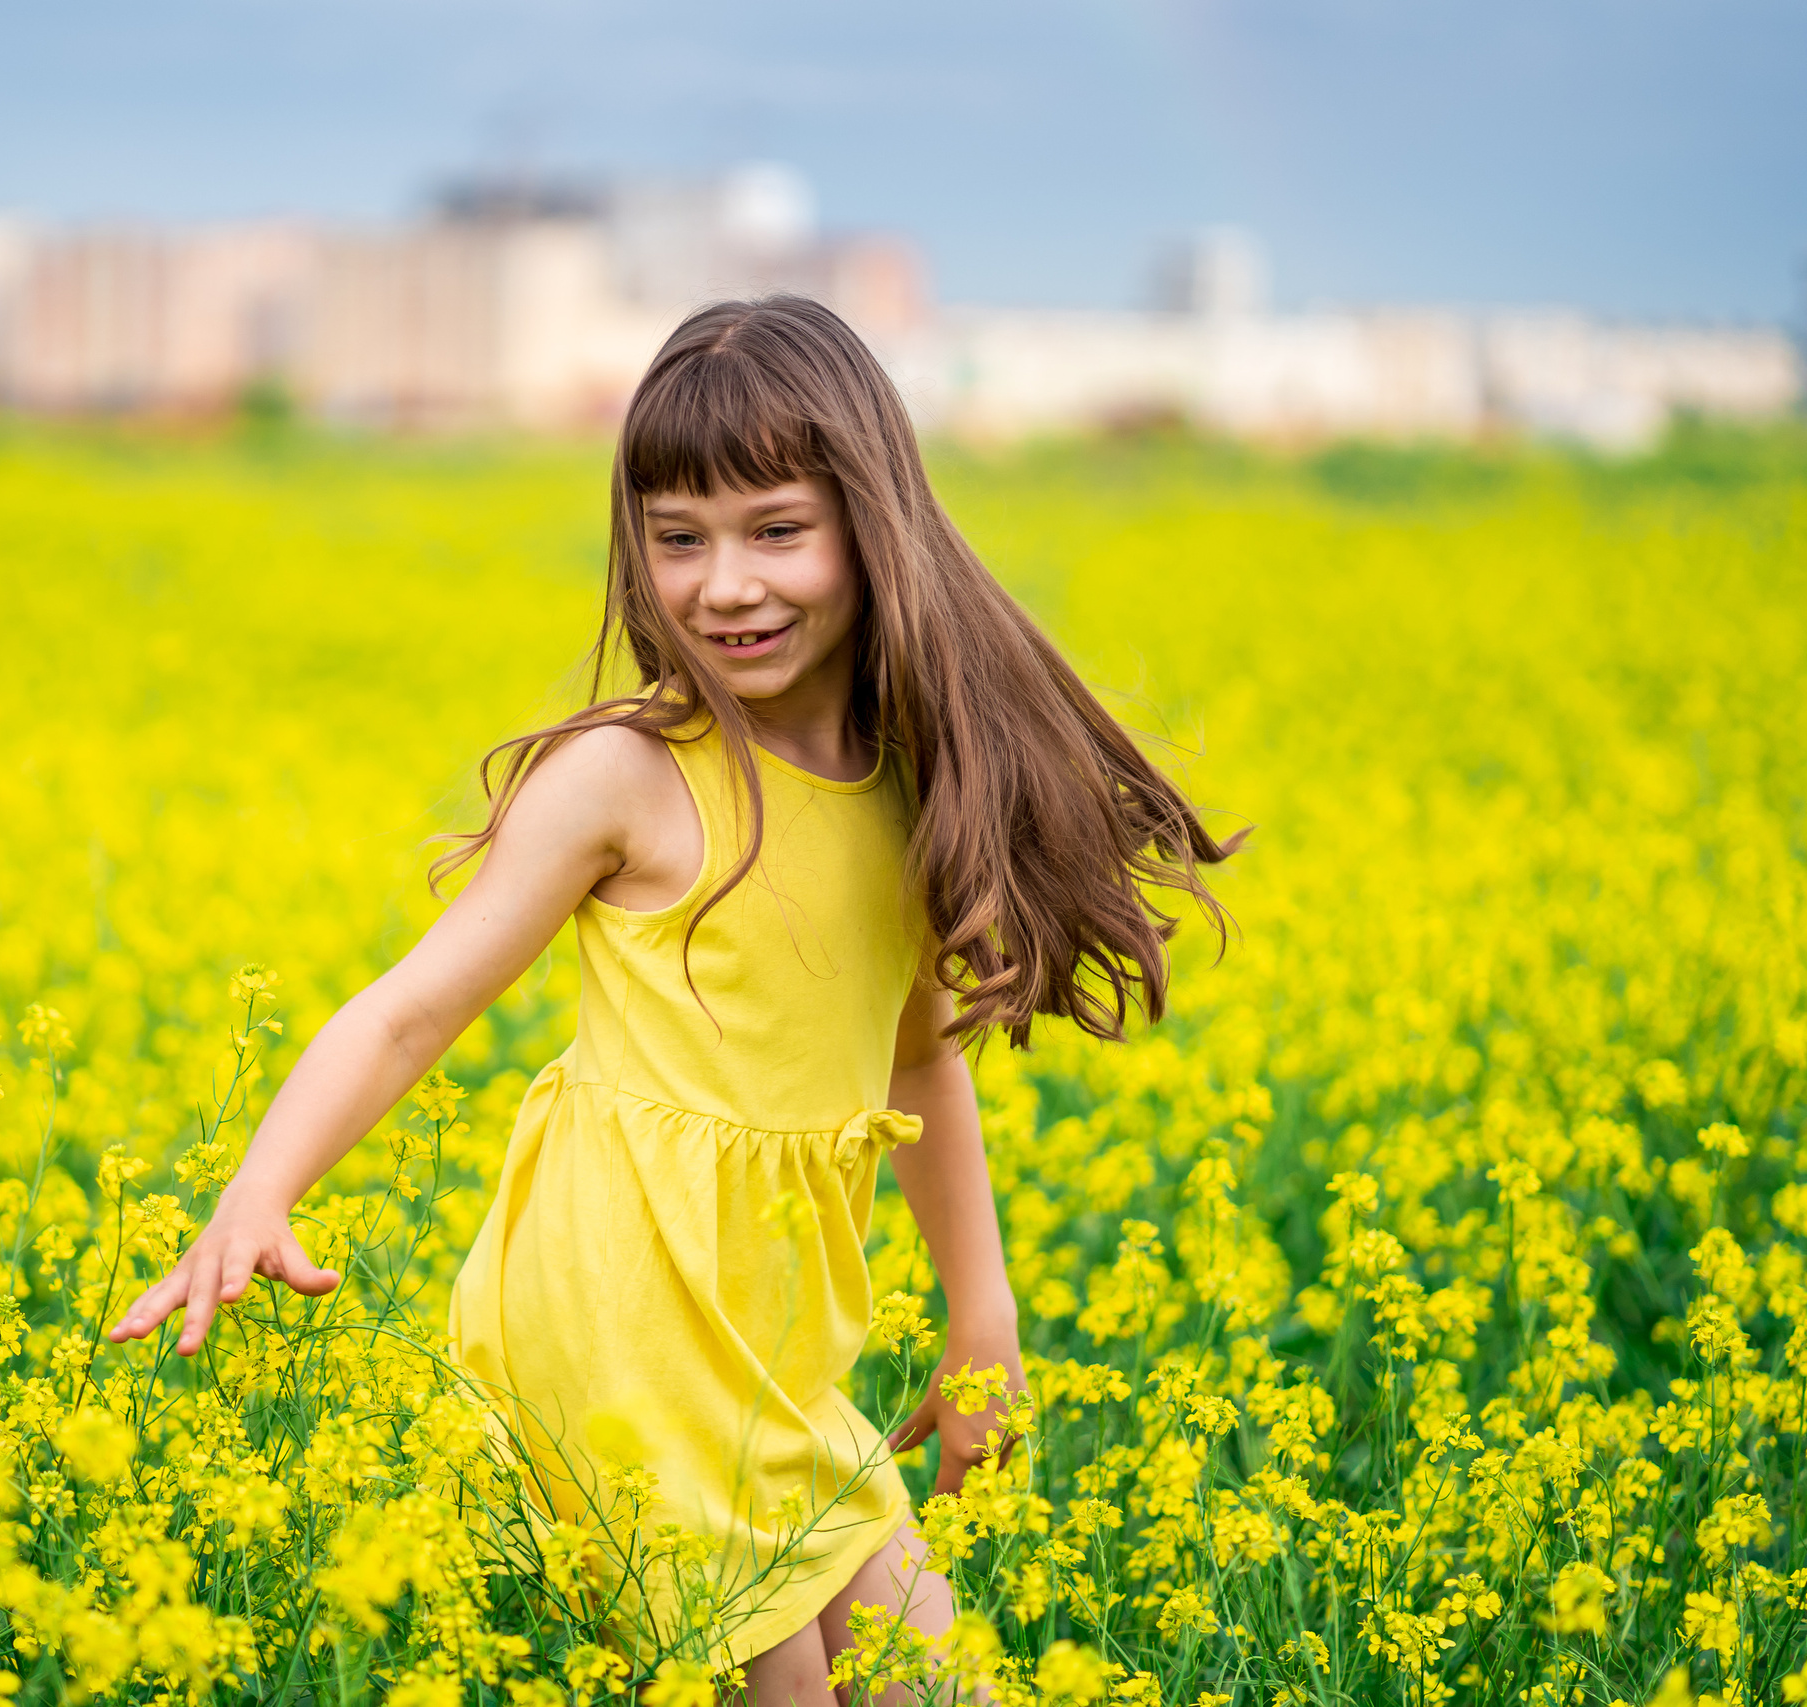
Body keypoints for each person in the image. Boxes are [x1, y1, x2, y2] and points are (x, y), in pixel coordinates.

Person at [109, 295, 1239, 1702]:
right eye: (678, 539)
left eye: (776, 530)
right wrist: (254, 1196)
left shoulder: (912, 786)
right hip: (626, 1331)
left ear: (874, 526)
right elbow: (410, 1008)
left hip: (769, 1343)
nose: (724, 586)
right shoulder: (626, 779)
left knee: (939, 1685)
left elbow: (919, 1071)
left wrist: (981, 1314)